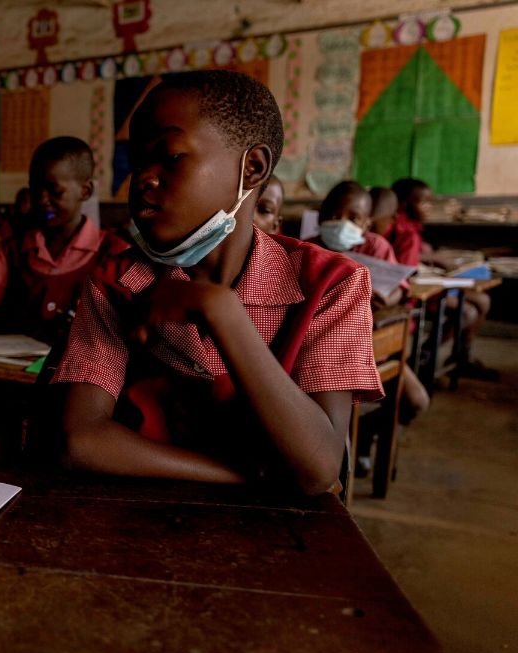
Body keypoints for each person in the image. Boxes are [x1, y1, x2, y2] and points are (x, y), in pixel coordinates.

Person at [55, 70, 383, 495]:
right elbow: (80, 441)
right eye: (137, 162)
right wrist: (251, 477)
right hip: (139, 512)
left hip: (280, 537)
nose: (143, 179)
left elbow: (320, 465)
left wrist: (219, 308)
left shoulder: (332, 284)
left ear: (253, 167)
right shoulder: (119, 278)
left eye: (170, 156)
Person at [0, 137, 129, 344]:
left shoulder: (116, 253)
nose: (41, 199)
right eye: (35, 189)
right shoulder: (12, 250)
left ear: (86, 191)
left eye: (55, 191)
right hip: (14, 370)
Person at [313, 181, 429, 419]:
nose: (342, 223)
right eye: (334, 215)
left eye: (354, 218)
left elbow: (400, 288)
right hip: (326, 345)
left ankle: (365, 438)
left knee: (416, 401)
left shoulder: (376, 246)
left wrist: (387, 298)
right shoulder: (308, 248)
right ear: (321, 216)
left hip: (369, 341)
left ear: (367, 223)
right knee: (332, 408)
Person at [391, 178, 496, 381]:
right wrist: (432, 257)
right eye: (424, 202)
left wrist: (429, 254)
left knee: (483, 300)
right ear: (404, 204)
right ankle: (424, 356)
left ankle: (460, 356)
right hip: (417, 288)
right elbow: (401, 257)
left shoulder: (413, 226)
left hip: (430, 281)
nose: (429, 208)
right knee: (467, 311)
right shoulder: (399, 225)